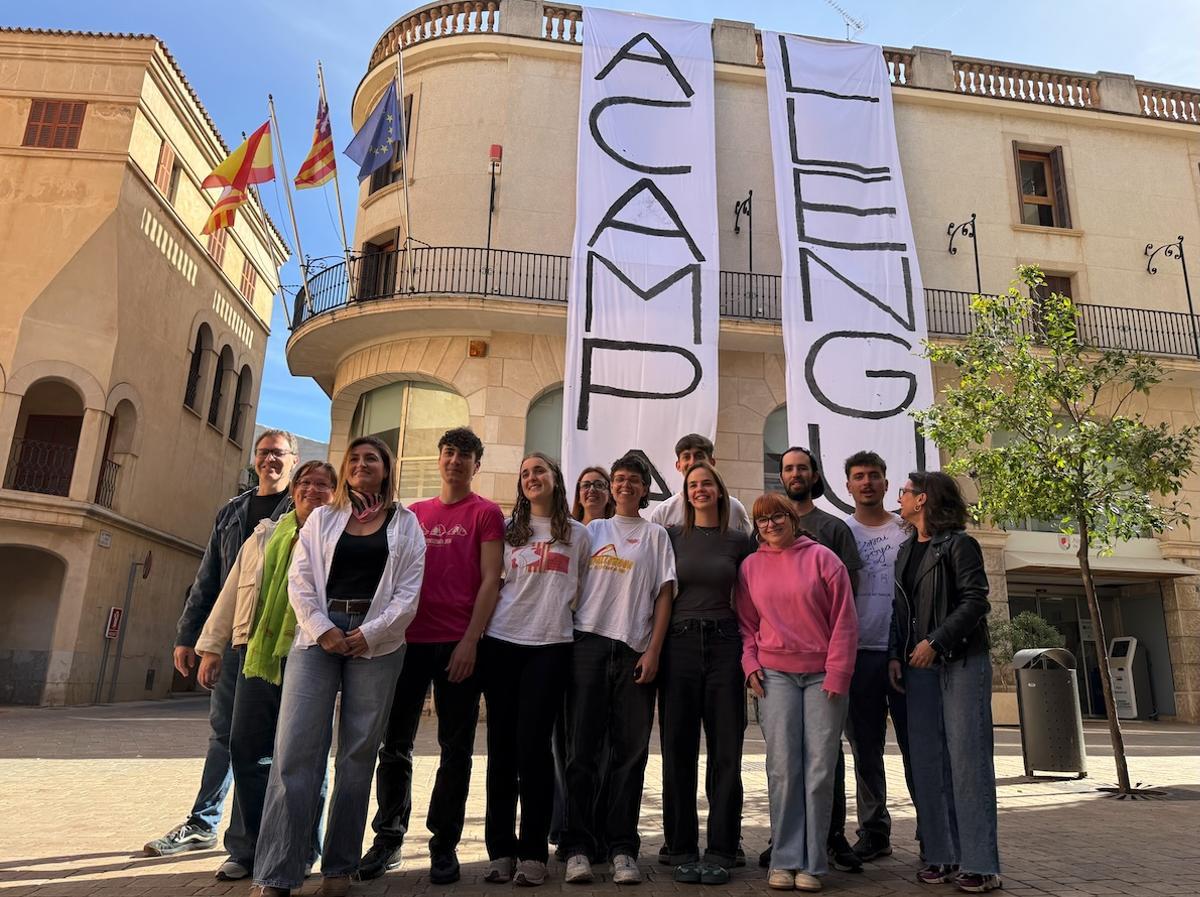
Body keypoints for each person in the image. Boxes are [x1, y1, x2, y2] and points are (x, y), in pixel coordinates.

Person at [251, 436, 426, 897]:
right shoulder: (324, 518)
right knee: (295, 754)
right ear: (345, 470)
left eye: (373, 458)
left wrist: (368, 633)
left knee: (355, 759)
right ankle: (277, 874)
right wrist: (323, 628)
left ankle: (338, 870)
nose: (363, 464)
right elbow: (300, 579)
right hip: (317, 637)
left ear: (386, 469)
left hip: (378, 641)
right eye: (355, 459)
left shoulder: (407, 525)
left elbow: (408, 595)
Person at [360, 427, 504, 883]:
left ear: (476, 465)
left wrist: (470, 641)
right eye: (448, 452)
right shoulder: (411, 513)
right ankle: (388, 840)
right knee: (394, 745)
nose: (455, 460)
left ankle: (444, 845)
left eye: (465, 454)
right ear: (438, 459)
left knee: (455, 750)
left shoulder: (486, 513)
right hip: (405, 644)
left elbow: (490, 580)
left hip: (458, 645)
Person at [146, 430, 298, 861]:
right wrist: (189, 635)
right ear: (255, 459)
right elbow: (209, 575)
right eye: (264, 452)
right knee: (224, 734)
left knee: (267, 740)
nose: (271, 460)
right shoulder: (233, 511)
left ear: (294, 459)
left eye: (279, 454)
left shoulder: (301, 506)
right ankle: (203, 823)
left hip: (277, 635)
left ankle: (257, 833)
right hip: (231, 634)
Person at [195, 460, 337, 881]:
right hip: (256, 650)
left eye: (323, 484)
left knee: (303, 756)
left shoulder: (338, 536)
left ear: (335, 492)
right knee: (245, 746)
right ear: (294, 490)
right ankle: (246, 847)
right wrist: (210, 646)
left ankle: (302, 847)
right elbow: (231, 590)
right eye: (305, 483)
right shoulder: (264, 535)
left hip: (310, 652)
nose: (313, 490)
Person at [480, 453, 592, 886]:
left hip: (551, 647)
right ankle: (500, 850)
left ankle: (533, 853)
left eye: (539, 471)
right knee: (501, 750)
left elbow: (583, 589)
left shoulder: (578, 535)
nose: (531, 477)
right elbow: (491, 584)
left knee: (534, 749)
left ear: (555, 479)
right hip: (503, 642)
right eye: (524, 473)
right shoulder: (508, 533)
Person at [563, 453, 676, 886]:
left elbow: (664, 595)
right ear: (611, 487)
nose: (624, 485)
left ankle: (623, 849)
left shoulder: (656, 536)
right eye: (618, 479)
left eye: (633, 480)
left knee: (630, 755)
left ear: (645, 488)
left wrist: (654, 651)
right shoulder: (592, 531)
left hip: (634, 650)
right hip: (588, 645)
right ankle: (578, 848)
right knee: (582, 752)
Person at [737, 493, 858, 893]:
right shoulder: (750, 567)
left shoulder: (824, 559)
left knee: (820, 770)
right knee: (783, 768)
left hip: (823, 676)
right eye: (762, 520)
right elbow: (746, 624)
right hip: (775, 676)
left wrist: (838, 674)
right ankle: (785, 859)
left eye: (777, 517)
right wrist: (750, 664)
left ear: (792, 518)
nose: (769, 525)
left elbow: (844, 621)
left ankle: (813, 862)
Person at [891, 472, 1001, 894]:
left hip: (961, 661)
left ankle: (981, 864)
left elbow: (976, 601)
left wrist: (936, 641)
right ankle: (942, 855)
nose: (898, 498)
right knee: (928, 764)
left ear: (923, 500)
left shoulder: (959, 545)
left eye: (903, 492)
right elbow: (900, 611)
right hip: (916, 667)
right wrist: (894, 656)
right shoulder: (904, 551)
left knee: (968, 762)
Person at [658, 461, 755, 885]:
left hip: (724, 645)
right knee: (678, 749)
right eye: (692, 484)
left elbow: (753, 596)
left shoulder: (740, 540)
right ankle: (680, 845)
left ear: (719, 491)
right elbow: (658, 593)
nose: (700, 490)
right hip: (677, 645)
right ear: (685, 492)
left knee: (726, 751)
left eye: (707, 484)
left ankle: (722, 847)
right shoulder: (669, 537)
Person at [776, 446, 863, 874]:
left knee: (828, 754)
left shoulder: (833, 528)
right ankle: (785, 839)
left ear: (814, 475)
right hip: (780, 666)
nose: (795, 474)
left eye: (802, 468)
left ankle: (832, 836)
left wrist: (839, 656)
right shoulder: (767, 529)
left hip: (826, 661)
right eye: (788, 468)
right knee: (787, 756)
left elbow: (852, 596)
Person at [841, 451, 917, 862]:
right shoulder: (842, 532)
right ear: (848, 485)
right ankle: (874, 831)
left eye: (874, 476)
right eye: (859, 476)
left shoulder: (907, 530)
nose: (867, 482)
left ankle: (933, 830)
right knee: (865, 748)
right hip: (857, 654)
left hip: (906, 654)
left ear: (887, 484)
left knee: (915, 744)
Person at [649, 434, 752, 533]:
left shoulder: (734, 508)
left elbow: (750, 547)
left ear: (712, 462)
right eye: (686, 457)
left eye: (699, 456)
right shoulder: (663, 513)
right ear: (678, 465)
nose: (693, 462)